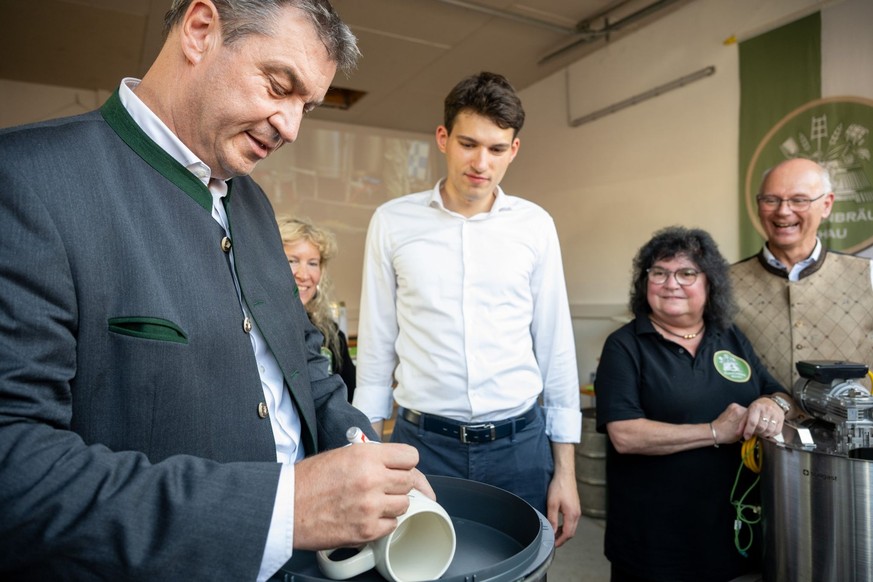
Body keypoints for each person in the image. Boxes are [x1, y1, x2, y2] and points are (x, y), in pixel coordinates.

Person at [0, 1, 432, 580]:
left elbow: (303, 360)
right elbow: (17, 466)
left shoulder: (251, 203)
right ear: (201, 31)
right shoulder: (29, 179)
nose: (291, 127)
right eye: (279, 86)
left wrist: (361, 451)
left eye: (305, 106)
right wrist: (284, 510)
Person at [354, 71, 581, 546]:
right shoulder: (393, 222)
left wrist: (566, 473)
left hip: (521, 447)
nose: (481, 162)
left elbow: (556, 349)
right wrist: (367, 460)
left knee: (522, 574)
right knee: (418, 572)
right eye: (468, 143)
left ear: (513, 150)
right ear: (443, 138)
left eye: (497, 149)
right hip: (425, 447)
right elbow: (375, 355)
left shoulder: (534, 226)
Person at [594, 226, 797, 582]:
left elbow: (777, 391)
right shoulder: (625, 346)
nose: (671, 283)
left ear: (710, 283)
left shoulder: (729, 336)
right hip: (656, 541)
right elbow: (625, 435)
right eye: (659, 272)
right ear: (645, 283)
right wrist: (716, 431)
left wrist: (772, 405)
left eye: (686, 273)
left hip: (730, 529)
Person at [731, 158, 873, 391]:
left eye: (799, 200)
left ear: (826, 205)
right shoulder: (723, 282)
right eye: (770, 200)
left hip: (854, 426)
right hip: (756, 427)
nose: (783, 211)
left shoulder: (868, 275)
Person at [279, 216, 357, 402]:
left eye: (313, 263)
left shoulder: (330, 334)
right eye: (292, 261)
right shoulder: (248, 330)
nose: (304, 275)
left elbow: (348, 399)